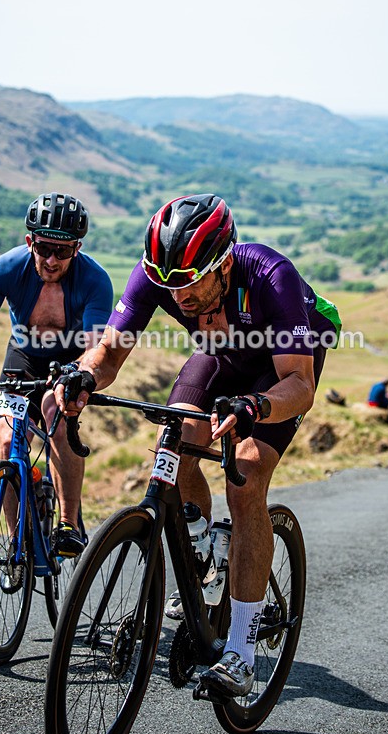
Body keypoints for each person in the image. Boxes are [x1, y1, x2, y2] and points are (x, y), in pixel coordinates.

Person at [53, 193, 341, 696]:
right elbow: (109, 353)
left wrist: (255, 407)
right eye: (167, 283)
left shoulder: (271, 276)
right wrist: (83, 376)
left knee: (246, 476)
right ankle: (202, 547)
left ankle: (241, 653)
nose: (178, 295)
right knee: (174, 440)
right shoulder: (157, 276)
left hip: (282, 368)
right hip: (221, 351)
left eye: (189, 281)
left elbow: (299, 385)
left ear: (224, 265)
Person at [0, 192, 113, 557]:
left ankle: (69, 523)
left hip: (72, 361)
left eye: (62, 251)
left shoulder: (95, 280)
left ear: (76, 248)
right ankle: (16, 545)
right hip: (23, 358)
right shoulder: (6, 268)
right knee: (7, 439)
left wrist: (76, 375)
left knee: (56, 415)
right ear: (30, 241)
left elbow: (96, 349)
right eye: (44, 248)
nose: (51, 259)